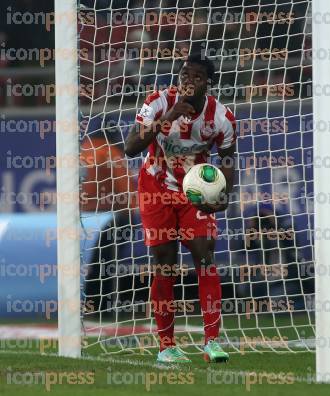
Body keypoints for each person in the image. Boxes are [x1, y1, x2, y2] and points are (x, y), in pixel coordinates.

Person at [124, 52, 236, 364]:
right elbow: (131, 146)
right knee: (165, 263)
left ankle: (212, 342)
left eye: (196, 77)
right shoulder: (158, 102)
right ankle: (166, 346)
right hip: (155, 187)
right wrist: (168, 117)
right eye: (184, 75)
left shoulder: (222, 118)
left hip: (193, 191)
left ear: (208, 83)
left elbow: (228, 161)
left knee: (205, 254)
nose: (188, 82)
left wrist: (224, 195)